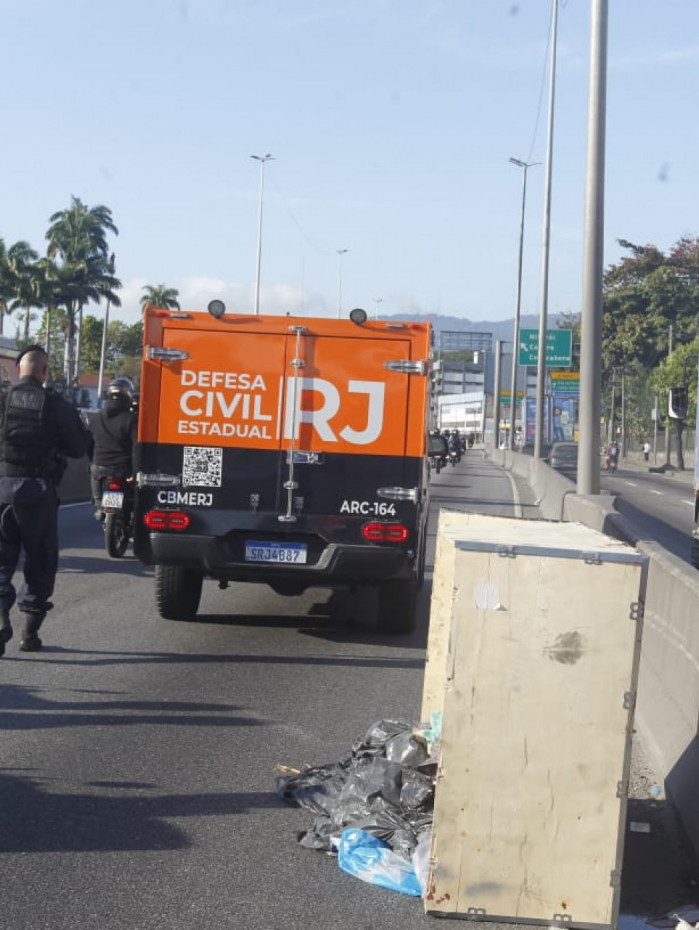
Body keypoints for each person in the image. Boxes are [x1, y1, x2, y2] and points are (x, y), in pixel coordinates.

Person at [0, 345, 88, 655]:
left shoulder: (2, 399)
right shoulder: (56, 405)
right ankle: (29, 633)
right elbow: (79, 448)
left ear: (16, 370)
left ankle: (1, 618)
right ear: (45, 371)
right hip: (38, 491)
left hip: (1, 489)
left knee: (1, 561)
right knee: (40, 561)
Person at [87, 378, 138, 521]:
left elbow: (88, 445)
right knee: (133, 498)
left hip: (99, 467)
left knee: (93, 472)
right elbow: (136, 448)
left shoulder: (96, 418)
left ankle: (98, 505)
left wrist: (93, 461)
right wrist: (134, 472)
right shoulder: (131, 419)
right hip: (122, 470)